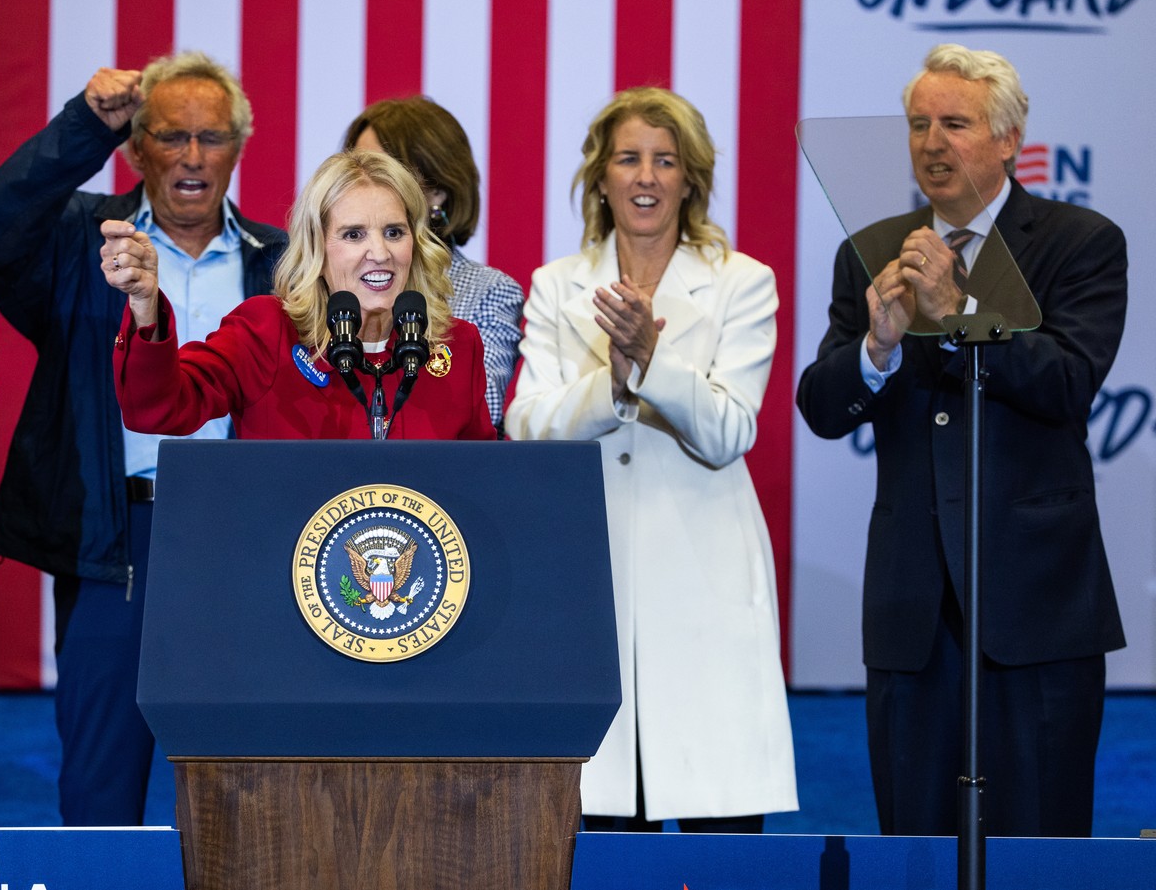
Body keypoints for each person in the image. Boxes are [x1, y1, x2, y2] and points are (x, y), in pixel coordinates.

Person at [796, 44, 1126, 838]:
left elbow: (1067, 380)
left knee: (1039, 846)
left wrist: (961, 306)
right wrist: (876, 349)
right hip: (915, 611)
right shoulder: (870, 251)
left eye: (955, 123)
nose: (932, 143)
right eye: (918, 124)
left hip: (1037, 608)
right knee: (915, 844)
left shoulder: (1080, 241)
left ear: (1010, 138)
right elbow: (822, 404)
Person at [0, 51, 287, 826]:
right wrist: (85, 125)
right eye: (170, 136)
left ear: (239, 149)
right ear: (137, 148)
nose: (191, 156)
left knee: (238, 786)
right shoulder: (80, 239)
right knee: (100, 785)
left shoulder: (279, 263)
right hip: (118, 534)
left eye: (211, 138)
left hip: (244, 536)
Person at [506, 87, 797, 832]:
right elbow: (529, 425)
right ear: (599, 176)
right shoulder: (555, 284)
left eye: (665, 161)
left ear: (691, 178)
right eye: (628, 158)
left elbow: (729, 430)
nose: (645, 176)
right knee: (598, 831)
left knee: (717, 830)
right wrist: (617, 382)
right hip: (589, 574)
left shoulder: (742, 282)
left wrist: (651, 359)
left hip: (703, 573)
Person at [103, 149, 496, 441]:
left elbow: (481, 480)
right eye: (354, 234)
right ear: (317, 249)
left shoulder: (457, 347)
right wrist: (144, 304)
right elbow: (159, 410)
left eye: (394, 232)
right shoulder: (266, 331)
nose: (380, 253)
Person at [343, 97, 524, 433]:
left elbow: (484, 409)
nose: (366, 183)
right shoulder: (328, 283)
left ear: (437, 191)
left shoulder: (489, 291)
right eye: (357, 168)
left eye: (385, 172)